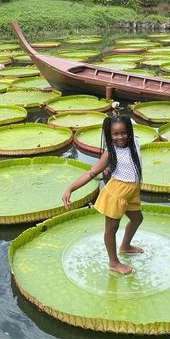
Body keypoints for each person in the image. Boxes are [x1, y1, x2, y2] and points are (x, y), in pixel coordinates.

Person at [62, 114, 143, 275]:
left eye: (123, 132)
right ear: (109, 135)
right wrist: (70, 188)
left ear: (130, 131)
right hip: (116, 193)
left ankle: (125, 246)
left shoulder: (134, 143)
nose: (120, 137)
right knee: (111, 229)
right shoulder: (110, 153)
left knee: (137, 219)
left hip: (132, 191)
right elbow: (92, 172)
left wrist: (117, 110)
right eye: (115, 134)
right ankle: (113, 262)